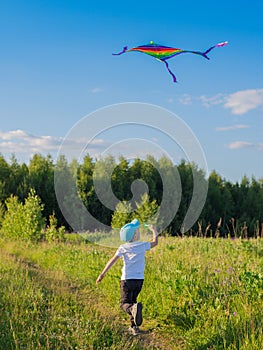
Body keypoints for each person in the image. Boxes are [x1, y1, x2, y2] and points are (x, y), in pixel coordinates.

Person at [96, 218, 158, 335]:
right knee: (133, 302)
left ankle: (133, 314)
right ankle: (134, 327)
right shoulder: (143, 245)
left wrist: (102, 274)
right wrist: (153, 230)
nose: (139, 232)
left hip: (127, 280)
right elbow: (155, 242)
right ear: (134, 235)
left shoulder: (123, 248)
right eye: (138, 231)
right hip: (139, 280)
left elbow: (112, 261)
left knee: (124, 304)